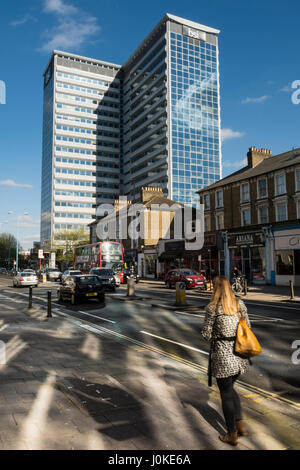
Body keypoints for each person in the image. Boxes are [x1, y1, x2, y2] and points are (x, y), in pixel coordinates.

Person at [201, 276, 251, 446]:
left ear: (215, 289)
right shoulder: (239, 305)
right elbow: (248, 327)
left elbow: (206, 334)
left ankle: (232, 434)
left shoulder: (212, 308)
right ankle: (241, 425)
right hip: (239, 356)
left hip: (223, 358)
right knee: (230, 389)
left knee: (226, 395)